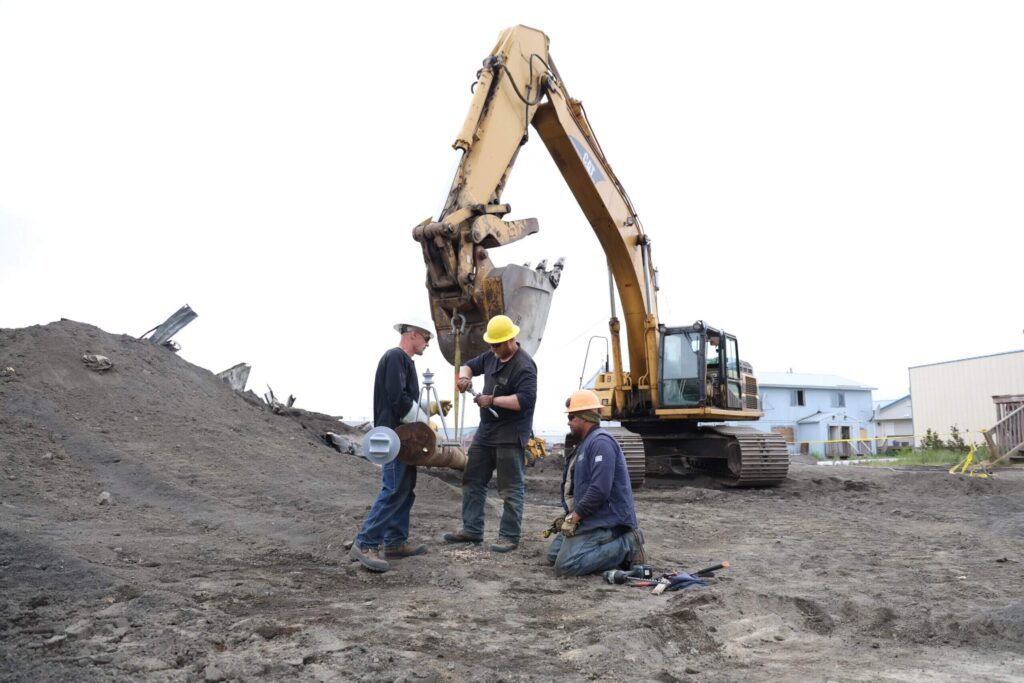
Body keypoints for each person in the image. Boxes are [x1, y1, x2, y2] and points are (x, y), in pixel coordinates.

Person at [443, 314, 537, 553]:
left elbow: (524, 400)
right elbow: (469, 365)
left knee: (510, 488)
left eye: (496, 345)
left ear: (510, 340)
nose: (493, 349)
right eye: (491, 345)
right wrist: (463, 377)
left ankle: (509, 536)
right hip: (486, 432)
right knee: (473, 479)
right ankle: (472, 530)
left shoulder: (525, 366)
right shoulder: (491, 356)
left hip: (510, 434)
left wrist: (492, 400)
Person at [349, 318, 436, 573]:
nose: (428, 344)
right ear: (412, 335)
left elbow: (405, 399)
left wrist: (426, 412)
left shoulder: (406, 363)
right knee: (394, 488)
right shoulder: (395, 357)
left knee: (405, 489)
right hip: (393, 437)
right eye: (426, 338)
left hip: (403, 439)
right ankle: (365, 543)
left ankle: (396, 541)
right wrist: (424, 422)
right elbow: (398, 400)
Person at [546, 389, 646, 576]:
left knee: (566, 565)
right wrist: (567, 514)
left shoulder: (601, 443)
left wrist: (575, 517)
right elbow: (583, 488)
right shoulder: (586, 444)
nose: (568, 422)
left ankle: (628, 544)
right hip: (592, 517)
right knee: (553, 556)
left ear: (584, 417)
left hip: (608, 520)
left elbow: (600, 490)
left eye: (571, 416)